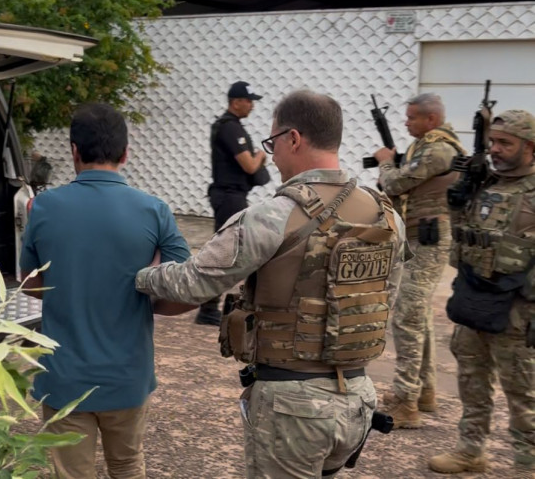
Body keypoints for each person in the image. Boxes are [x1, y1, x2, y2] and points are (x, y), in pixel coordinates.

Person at [136, 90, 408, 478]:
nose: (273, 154)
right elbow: (386, 298)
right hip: (358, 399)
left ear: (293, 138)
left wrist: (139, 276)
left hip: (292, 405)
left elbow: (193, 284)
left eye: (273, 143)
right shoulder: (386, 215)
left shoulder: (274, 216)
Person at [20, 103, 191, 479]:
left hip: (63, 376)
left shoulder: (44, 206)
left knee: (70, 472)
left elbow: (28, 281)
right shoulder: (154, 210)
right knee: (128, 465)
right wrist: (138, 296)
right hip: (127, 375)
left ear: (73, 151)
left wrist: (72, 289)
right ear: (126, 153)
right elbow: (186, 288)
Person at [428, 109, 535, 476]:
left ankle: (527, 462)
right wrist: (459, 198)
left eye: (506, 143)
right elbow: (462, 240)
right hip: (475, 297)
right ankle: (471, 449)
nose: (496, 149)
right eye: (493, 142)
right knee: (472, 381)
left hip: (518, 309)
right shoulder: (484, 184)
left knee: (523, 393)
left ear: (530, 147)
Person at [372, 93, 466, 427]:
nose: (405, 123)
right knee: (419, 315)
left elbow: (396, 182)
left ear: (431, 119)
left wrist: (385, 161)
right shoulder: (427, 146)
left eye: (411, 118)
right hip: (419, 237)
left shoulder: (439, 148)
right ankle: (423, 390)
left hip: (429, 239)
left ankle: (405, 402)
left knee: (407, 316)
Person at [198, 80, 268, 326]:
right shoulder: (230, 128)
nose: (252, 106)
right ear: (235, 102)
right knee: (228, 251)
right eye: (248, 101)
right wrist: (261, 154)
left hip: (232, 195)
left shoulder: (231, 126)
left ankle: (210, 306)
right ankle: (209, 307)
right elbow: (249, 165)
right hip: (229, 196)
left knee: (231, 251)